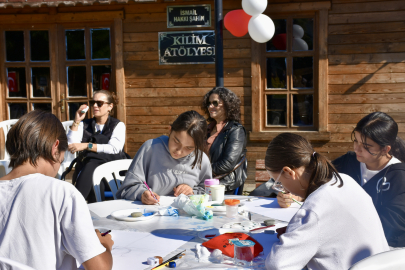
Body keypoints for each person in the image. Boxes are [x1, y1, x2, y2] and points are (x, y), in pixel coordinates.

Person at [0, 110, 114, 270]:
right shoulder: (60, 192)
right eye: (61, 160)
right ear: (55, 148)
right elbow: (99, 268)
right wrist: (105, 245)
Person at [265, 133, 389, 270]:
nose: (282, 189)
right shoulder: (345, 180)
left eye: (279, 183)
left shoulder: (315, 208)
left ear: (289, 172)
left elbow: (277, 265)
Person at [333, 112, 405, 248]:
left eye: (366, 146)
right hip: (346, 242)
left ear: (385, 149)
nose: (357, 148)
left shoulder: (399, 177)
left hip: (386, 251)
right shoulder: (348, 162)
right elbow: (317, 180)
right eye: (356, 141)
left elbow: (392, 225)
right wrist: (295, 195)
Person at [116, 110, 212, 205]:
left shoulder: (202, 160)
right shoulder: (151, 148)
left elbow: (208, 193)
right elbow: (126, 189)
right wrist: (142, 194)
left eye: (189, 148)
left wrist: (191, 192)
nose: (178, 151)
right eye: (176, 141)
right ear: (170, 130)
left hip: (186, 217)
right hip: (150, 214)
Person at [67, 90, 128, 202]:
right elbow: (71, 145)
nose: (95, 106)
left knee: (92, 160)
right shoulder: (84, 124)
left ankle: (74, 204)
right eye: (93, 102)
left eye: (99, 103)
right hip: (90, 172)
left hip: (111, 173)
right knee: (93, 164)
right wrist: (76, 120)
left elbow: (114, 149)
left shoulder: (118, 125)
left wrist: (87, 146)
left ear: (110, 107)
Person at [201, 87, 247, 195]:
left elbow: (227, 164)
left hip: (223, 186)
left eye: (215, 103)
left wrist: (200, 171)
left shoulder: (236, 130)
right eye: (209, 104)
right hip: (203, 183)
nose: (210, 106)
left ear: (227, 105)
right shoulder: (206, 129)